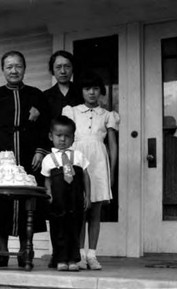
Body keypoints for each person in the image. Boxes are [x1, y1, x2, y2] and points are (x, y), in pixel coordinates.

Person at [0, 50, 50, 268]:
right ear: (3, 70)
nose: (14, 70)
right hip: (2, 157)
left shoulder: (36, 94)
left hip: (29, 156)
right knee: (2, 203)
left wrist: (40, 150)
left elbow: (46, 125)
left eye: (18, 66)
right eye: (9, 66)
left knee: (26, 203)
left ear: (24, 68)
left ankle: (23, 251)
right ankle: (2, 251)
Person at [62, 71, 118, 270]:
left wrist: (111, 172)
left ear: (101, 91)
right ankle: (78, 255)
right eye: (87, 89)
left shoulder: (108, 115)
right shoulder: (72, 111)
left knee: (95, 211)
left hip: (99, 163)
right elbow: (65, 142)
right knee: (80, 210)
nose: (92, 93)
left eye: (95, 89)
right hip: (78, 160)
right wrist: (67, 168)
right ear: (81, 91)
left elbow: (112, 146)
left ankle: (92, 254)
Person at [41, 116, 91, 271]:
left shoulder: (78, 156)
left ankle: (73, 259)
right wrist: (49, 195)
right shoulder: (49, 159)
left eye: (67, 136)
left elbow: (85, 176)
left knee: (75, 227)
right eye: (58, 136)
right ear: (51, 136)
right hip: (58, 200)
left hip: (75, 198)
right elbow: (47, 180)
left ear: (73, 138)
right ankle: (60, 259)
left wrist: (87, 196)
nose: (63, 140)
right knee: (58, 227)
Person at [44, 50, 84, 120]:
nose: (63, 71)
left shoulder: (82, 92)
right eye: (58, 67)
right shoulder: (45, 96)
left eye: (67, 66)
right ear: (52, 70)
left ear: (73, 68)